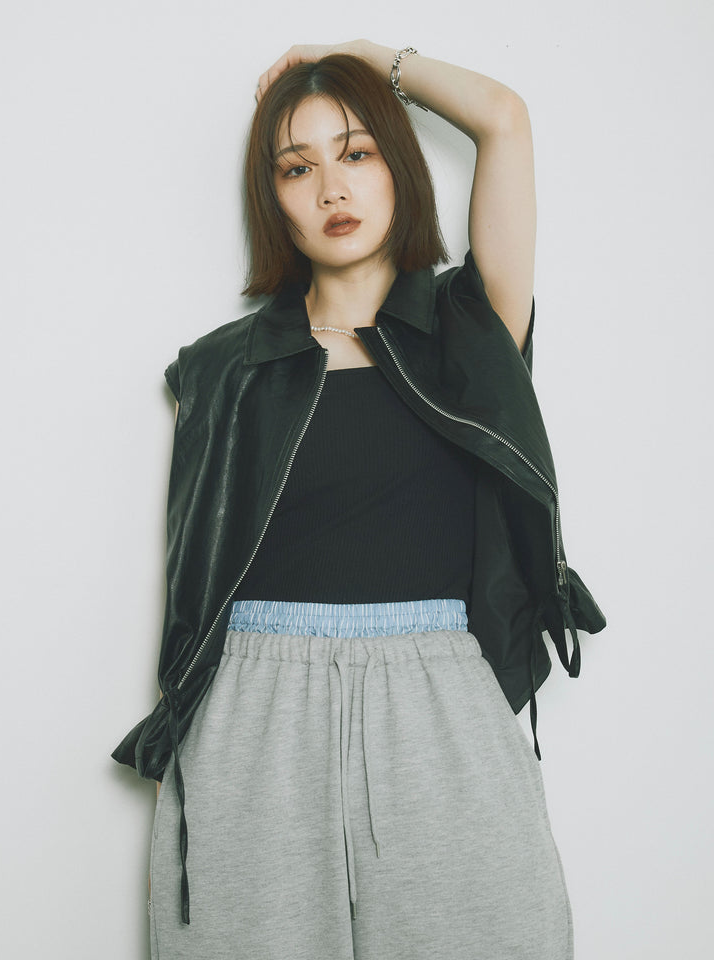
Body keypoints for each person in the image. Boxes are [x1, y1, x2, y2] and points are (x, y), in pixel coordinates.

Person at [113, 39, 605, 960]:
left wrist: (368, 61)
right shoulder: (221, 372)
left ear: (397, 166)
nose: (332, 188)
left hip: (439, 697)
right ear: (273, 198)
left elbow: (503, 119)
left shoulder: (472, 329)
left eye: (357, 152)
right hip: (255, 709)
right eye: (297, 167)